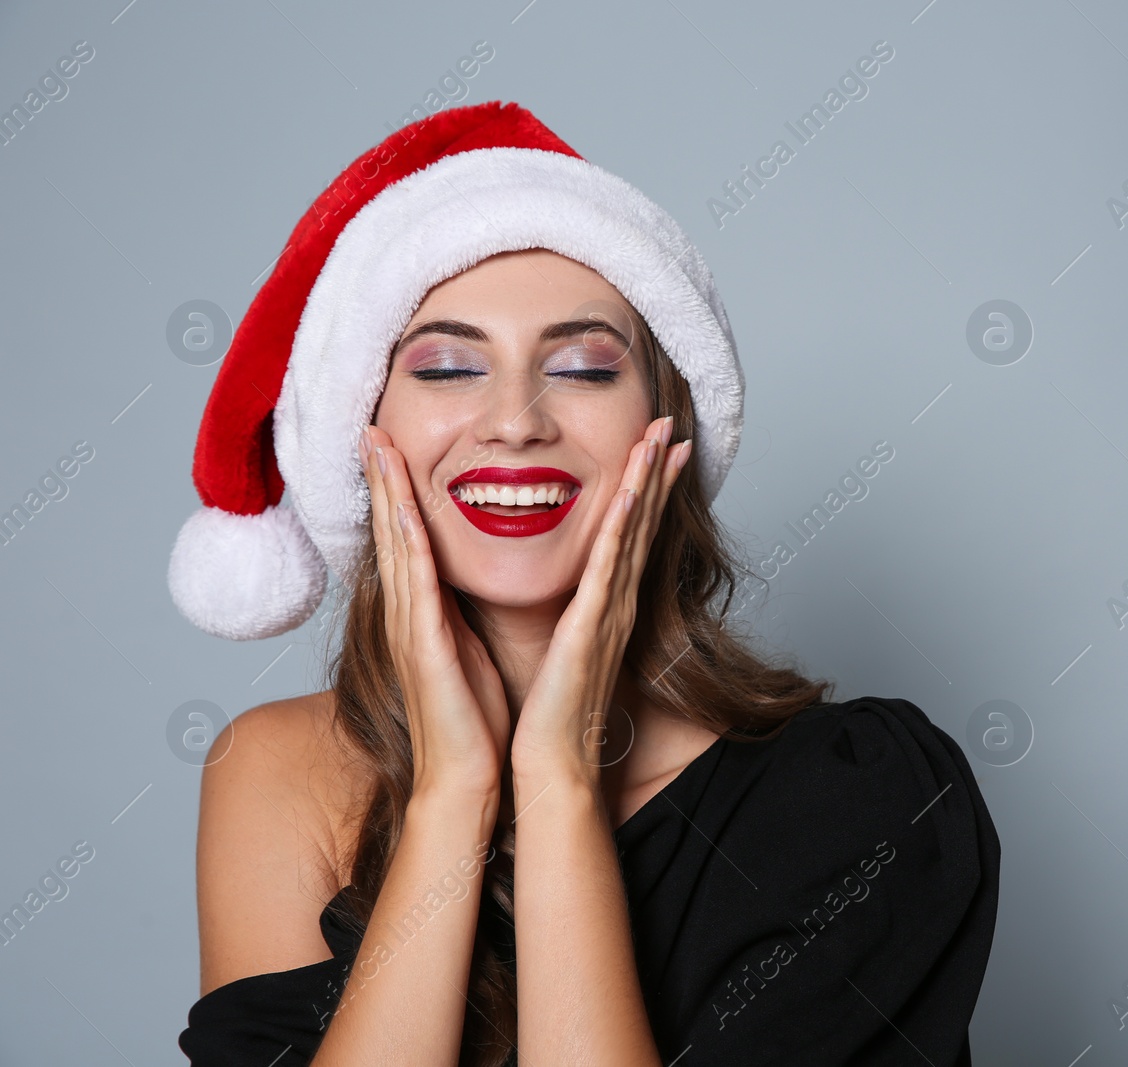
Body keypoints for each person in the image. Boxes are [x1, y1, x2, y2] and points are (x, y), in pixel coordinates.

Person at [169, 101, 999, 1066]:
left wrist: (560, 781)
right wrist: (453, 791)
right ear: (364, 435)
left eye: (581, 368)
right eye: (444, 367)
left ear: (668, 429)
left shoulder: (876, 795)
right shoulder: (274, 775)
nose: (514, 421)